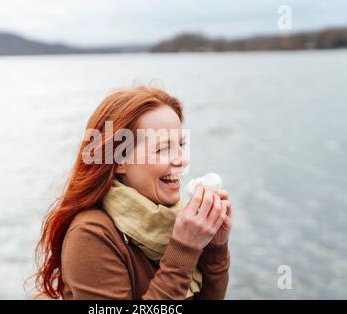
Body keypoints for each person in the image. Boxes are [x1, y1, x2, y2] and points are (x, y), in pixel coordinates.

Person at [34, 86, 232, 299]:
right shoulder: (91, 234)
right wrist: (184, 249)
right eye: (162, 149)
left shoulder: (171, 219)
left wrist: (214, 248)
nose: (182, 159)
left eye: (181, 144)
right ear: (119, 160)